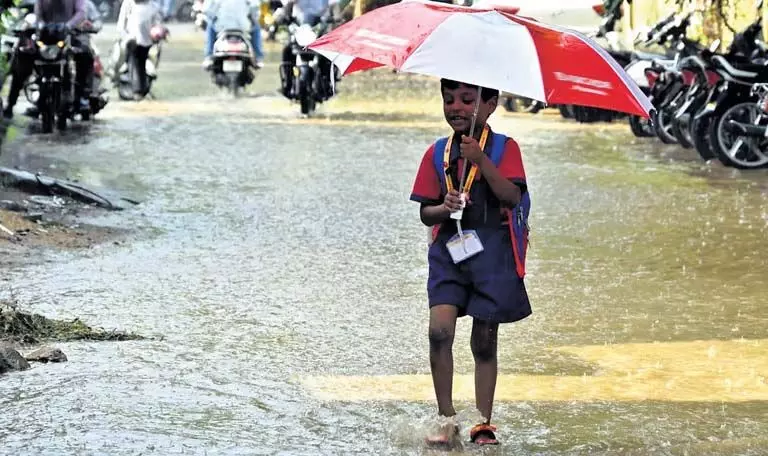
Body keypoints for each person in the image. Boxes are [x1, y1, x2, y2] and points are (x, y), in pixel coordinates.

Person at [409, 79, 531, 447]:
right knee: (439, 332)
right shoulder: (437, 153)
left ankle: (483, 422)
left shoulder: (504, 148)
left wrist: (480, 161)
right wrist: (442, 207)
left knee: (484, 340)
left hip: (492, 254)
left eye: (467, 99)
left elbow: (511, 196)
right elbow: (425, 214)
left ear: (491, 104)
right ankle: (447, 418)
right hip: (450, 253)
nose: (456, 108)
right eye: (449, 100)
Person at [3, 0, 89, 119]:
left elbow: (81, 12)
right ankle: (10, 104)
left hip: (68, 35)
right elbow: (38, 13)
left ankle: (82, 98)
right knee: (22, 60)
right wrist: (41, 24)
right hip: (45, 37)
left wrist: (69, 25)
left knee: (85, 55)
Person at [112, 0, 164, 99]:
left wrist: (158, 33)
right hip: (131, 39)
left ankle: (140, 90)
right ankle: (138, 90)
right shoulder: (129, 3)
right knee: (135, 64)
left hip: (147, 41)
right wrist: (124, 36)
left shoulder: (152, 6)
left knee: (140, 64)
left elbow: (157, 24)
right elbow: (121, 24)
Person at [201, 0, 264, 70]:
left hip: (221, 26)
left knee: (210, 25)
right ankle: (258, 58)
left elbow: (207, 10)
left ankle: (209, 57)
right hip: (243, 26)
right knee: (256, 26)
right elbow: (255, 8)